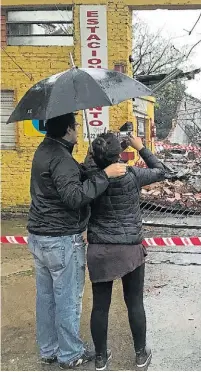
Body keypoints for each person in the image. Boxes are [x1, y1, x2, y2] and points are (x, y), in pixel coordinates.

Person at [27, 113, 127, 370]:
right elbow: (74, 197)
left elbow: (70, 176)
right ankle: (70, 354)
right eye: (77, 126)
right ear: (68, 129)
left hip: (40, 236)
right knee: (67, 298)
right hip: (61, 239)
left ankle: (49, 349)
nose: (79, 129)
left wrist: (93, 164)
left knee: (46, 297)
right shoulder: (61, 158)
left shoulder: (45, 149)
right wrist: (104, 175)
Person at [85, 132, 166, 371]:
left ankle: (100, 358)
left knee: (100, 306)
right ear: (119, 154)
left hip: (100, 249)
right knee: (134, 303)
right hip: (130, 250)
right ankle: (140, 354)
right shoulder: (132, 175)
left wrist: (97, 153)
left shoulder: (90, 176)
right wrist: (140, 147)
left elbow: (90, 164)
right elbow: (161, 170)